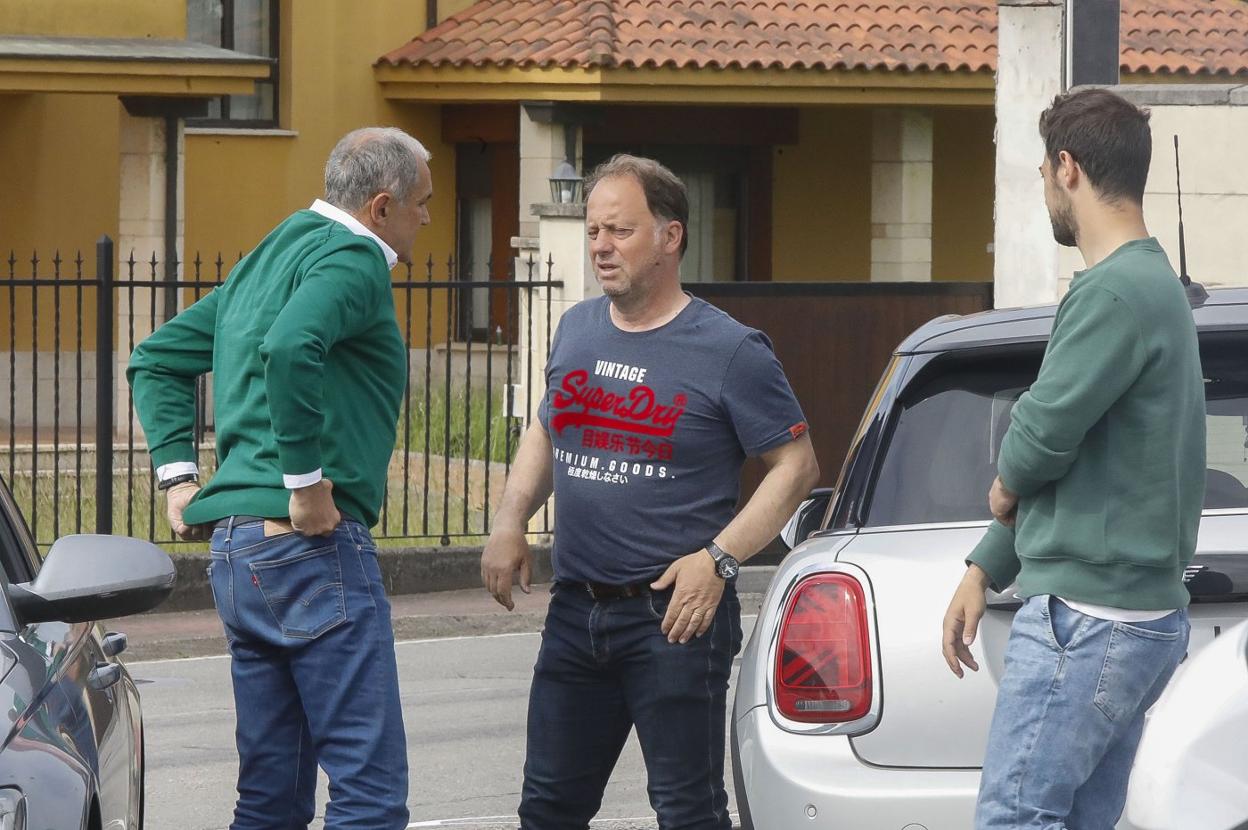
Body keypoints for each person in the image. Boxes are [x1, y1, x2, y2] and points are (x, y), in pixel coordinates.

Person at [481, 154, 820, 830]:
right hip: (577, 611)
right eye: (594, 230)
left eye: (620, 231)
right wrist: (511, 517)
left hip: (675, 617)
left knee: (688, 813)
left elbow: (796, 466)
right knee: (548, 809)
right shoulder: (577, 328)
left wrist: (719, 560)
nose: (601, 247)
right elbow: (549, 428)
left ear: (671, 237)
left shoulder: (730, 349)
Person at [128, 126, 433, 830]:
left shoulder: (273, 254)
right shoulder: (355, 259)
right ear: (382, 206)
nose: (426, 218)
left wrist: (179, 478)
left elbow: (155, 358)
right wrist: (306, 481)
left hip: (239, 554)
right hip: (309, 550)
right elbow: (293, 346)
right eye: (422, 203)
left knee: (271, 794)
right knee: (368, 791)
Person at [941, 88, 1205, 830]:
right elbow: (1070, 454)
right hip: (1133, 616)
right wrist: (986, 563)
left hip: (1088, 618)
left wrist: (1007, 481)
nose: (1046, 190)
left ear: (1067, 168)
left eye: (1042, 172)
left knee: (1015, 819)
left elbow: (1037, 441)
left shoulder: (1112, 293)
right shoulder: (1155, 288)